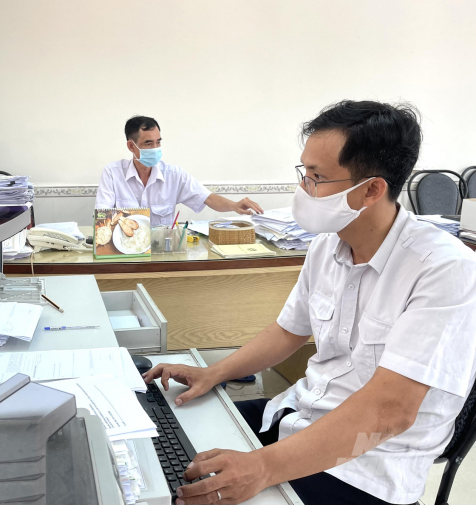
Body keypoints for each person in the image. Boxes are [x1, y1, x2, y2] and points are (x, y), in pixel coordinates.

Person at [144, 100, 476, 505]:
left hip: (370, 465)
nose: (304, 189)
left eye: (317, 178)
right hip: (298, 418)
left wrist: (263, 466)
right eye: (304, 173)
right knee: (161, 444)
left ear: (372, 189)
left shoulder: (444, 269)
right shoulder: (326, 247)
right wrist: (213, 373)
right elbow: (288, 331)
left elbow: (391, 411)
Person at [95, 116, 264, 226]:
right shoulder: (113, 173)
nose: (155, 148)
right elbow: (102, 218)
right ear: (131, 146)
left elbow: (208, 198)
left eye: (158, 142)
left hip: (163, 252)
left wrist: (234, 205)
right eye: (148, 143)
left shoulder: (174, 174)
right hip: (125, 251)